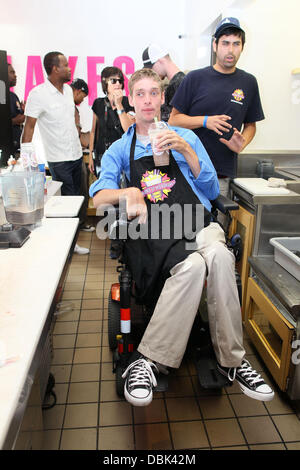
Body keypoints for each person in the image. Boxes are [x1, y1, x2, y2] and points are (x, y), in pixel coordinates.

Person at [90, 68, 274, 407]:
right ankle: (151, 360)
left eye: (153, 93)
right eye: (140, 94)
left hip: (194, 220)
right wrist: (128, 191)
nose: (147, 100)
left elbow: (207, 189)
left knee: (219, 255)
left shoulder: (185, 138)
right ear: (132, 100)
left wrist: (187, 152)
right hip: (154, 229)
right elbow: (97, 198)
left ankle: (232, 361)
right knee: (192, 265)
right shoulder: (120, 148)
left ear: (162, 99)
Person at [169, 17, 265, 198]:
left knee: (218, 225)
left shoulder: (249, 82)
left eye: (236, 44)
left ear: (242, 47)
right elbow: (174, 120)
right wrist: (205, 121)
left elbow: (251, 125)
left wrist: (242, 143)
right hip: (188, 171)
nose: (230, 50)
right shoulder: (195, 78)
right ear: (215, 45)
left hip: (222, 174)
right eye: (225, 43)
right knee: (187, 224)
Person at [22, 51, 89, 255]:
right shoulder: (38, 94)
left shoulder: (68, 91)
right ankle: (67, 246)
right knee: (67, 203)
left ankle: (71, 241)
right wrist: (27, 161)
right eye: (66, 65)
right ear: (54, 69)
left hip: (76, 155)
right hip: (58, 160)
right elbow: (29, 128)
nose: (70, 69)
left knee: (79, 200)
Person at [88, 66, 134, 177]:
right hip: (103, 155)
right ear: (105, 84)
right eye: (113, 81)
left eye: (120, 81)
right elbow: (94, 131)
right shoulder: (98, 103)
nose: (118, 84)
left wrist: (119, 105)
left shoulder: (128, 102)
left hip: (123, 156)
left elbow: (129, 128)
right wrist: (91, 155)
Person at [70, 78, 95, 233]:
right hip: (72, 155)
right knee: (81, 190)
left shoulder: (70, 108)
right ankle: (80, 223)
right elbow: (79, 137)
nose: (83, 100)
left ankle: (78, 223)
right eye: (83, 96)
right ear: (77, 91)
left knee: (78, 190)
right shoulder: (71, 109)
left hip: (73, 154)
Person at [142, 44, 185, 122]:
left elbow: (173, 121)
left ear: (160, 60)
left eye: (151, 68)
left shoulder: (177, 85)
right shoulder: (181, 81)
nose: (152, 72)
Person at [8, 63, 25, 154]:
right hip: (6, 148)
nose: (15, 75)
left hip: (17, 147)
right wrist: (15, 121)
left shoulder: (13, 96)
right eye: (12, 72)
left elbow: (21, 117)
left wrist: (24, 110)